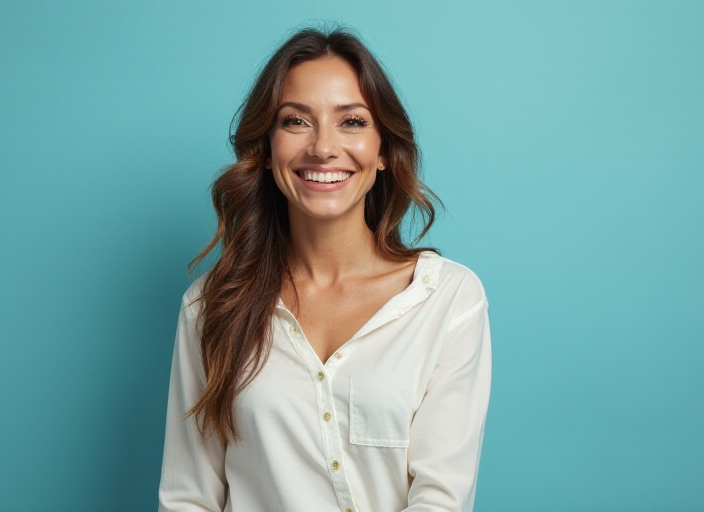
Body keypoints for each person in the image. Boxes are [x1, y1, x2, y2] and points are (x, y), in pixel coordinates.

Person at [158, 25, 492, 512]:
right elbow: (188, 497)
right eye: (296, 121)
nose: (323, 147)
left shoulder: (449, 300)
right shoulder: (212, 306)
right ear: (268, 151)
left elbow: (441, 499)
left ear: (383, 152)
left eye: (352, 122)